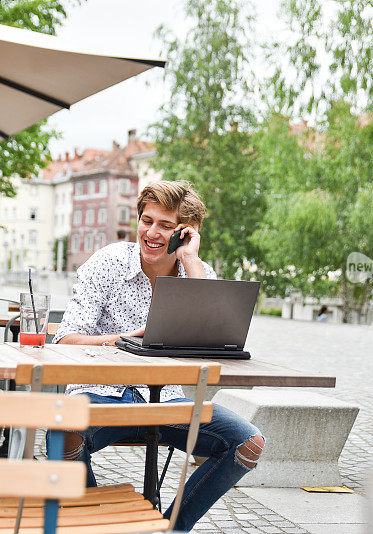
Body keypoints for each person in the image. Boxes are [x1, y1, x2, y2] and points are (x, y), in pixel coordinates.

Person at [54, 180, 264, 532]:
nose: (151, 233)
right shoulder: (107, 263)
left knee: (248, 442)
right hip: (101, 394)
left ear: (185, 233)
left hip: (167, 399)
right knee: (63, 431)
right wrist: (120, 340)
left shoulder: (199, 273)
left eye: (165, 226)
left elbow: (214, 343)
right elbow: (64, 340)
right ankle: (91, 527)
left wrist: (190, 259)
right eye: (147, 221)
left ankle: (172, 528)